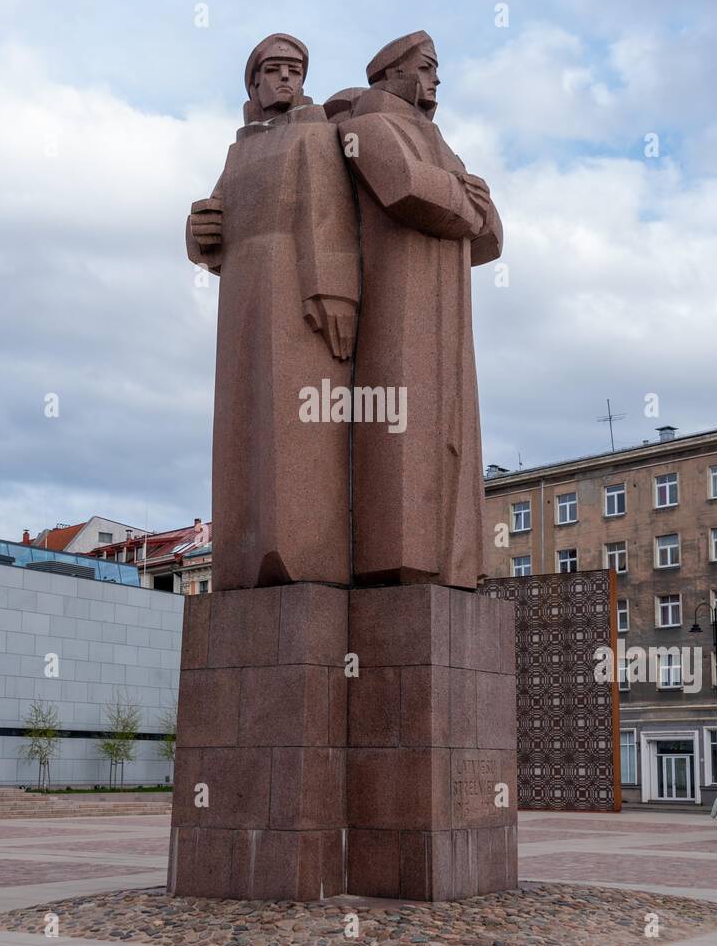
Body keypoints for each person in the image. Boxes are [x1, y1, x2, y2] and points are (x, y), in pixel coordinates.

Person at [328, 31, 503, 590]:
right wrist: (466, 197)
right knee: (404, 429)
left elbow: (491, 236)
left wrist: (469, 202)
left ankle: (450, 564)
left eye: (436, 70)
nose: (436, 81)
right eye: (427, 68)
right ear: (392, 74)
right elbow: (403, 186)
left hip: (449, 308)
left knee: (451, 431)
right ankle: (401, 556)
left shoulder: (441, 144)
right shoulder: (367, 126)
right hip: (395, 299)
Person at [186, 33, 359, 589]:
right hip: (240, 290)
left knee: (295, 419)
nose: (286, 78)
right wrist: (199, 236)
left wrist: (333, 290)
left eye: (295, 70)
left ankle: (299, 552)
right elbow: (216, 225)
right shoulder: (239, 149)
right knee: (241, 416)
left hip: (294, 288)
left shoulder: (315, 133)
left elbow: (326, 215)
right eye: (274, 69)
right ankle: (241, 555)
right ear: (254, 81)